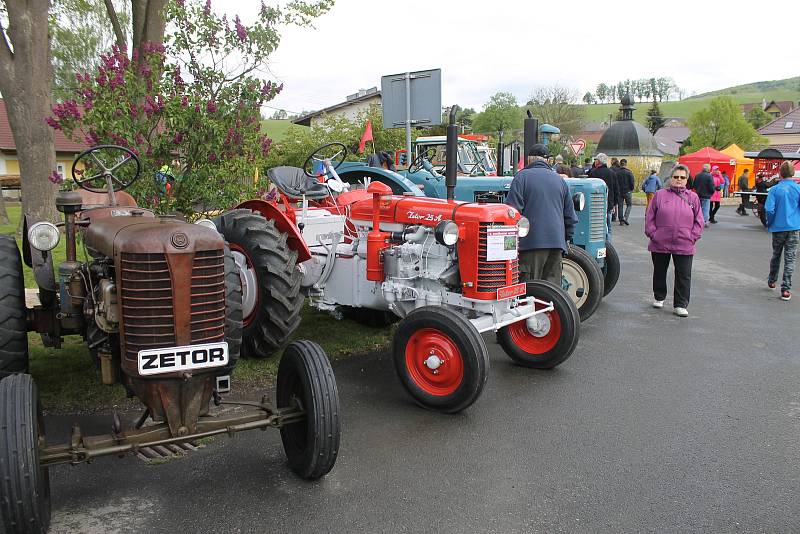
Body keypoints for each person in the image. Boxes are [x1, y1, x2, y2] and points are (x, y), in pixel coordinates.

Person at [506, 143, 577, 286]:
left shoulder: (521, 178)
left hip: (531, 244)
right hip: (557, 243)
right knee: (552, 290)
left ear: (530, 159)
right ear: (547, 160)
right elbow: (570, 216)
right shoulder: (560, 180)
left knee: (530, 289)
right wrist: (566, 238)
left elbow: (512, 213)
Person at [645, 164, 705, 317]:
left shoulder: (693, 197)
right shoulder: (659, 195)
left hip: (684, 243)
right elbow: (650, 217)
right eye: (676, 177)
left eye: (682, 177)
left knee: (683, 275)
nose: (679, 180)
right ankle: (659, 296)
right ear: (670, 178)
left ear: (686, 180)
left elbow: (699, 221)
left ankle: (680, 304)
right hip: (660, 242)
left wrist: (692, 237)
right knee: (659, 271)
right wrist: (653, 234)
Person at [765, 161, 800, 301]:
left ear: (780, 173)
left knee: (776, 255)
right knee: (790, 258)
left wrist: (770, 222)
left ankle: (772, 279)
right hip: (794, 227)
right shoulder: (797, 188)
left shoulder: (774, 190)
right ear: (792, 173)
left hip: (778, 227)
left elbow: (769, 209)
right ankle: (786, 288)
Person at [588, 153, 618, 239]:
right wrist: (613, 203)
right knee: (608, 227)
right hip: (608, 204)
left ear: (598, 161)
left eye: (596, 160)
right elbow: (616, 190)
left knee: (595, 227)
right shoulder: (612, 173)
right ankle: (608, 245)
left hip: (595, 206)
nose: (595, 161)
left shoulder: (593, 172)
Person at [616, 159, 635, 225]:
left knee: (620, 206)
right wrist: (631, 189)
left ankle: (621, 220)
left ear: (620, 164)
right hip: (627, 191)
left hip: (619, 191)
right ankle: (625, 217)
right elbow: (632, 182)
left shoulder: (616, 172)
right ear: (626, 164)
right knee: (629, 205)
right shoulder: (629, 172)